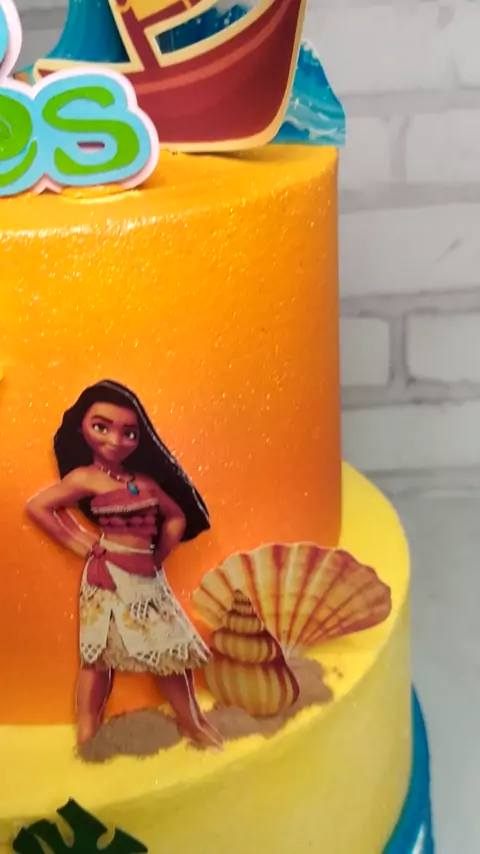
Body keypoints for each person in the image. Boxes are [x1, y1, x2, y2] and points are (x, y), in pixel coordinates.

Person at [27, 379, 221, 749]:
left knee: (169, 653)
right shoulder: (86, 477)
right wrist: (81, 543)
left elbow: (176, 516)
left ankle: (192, 721)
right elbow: (39, 506)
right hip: (108, 576)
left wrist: (159, 553)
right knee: (97, 657)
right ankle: (87, 731)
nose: (115, 441)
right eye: (101, 427)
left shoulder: (144, 481)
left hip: (146, 576)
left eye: (129, 433)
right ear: (82, 428)